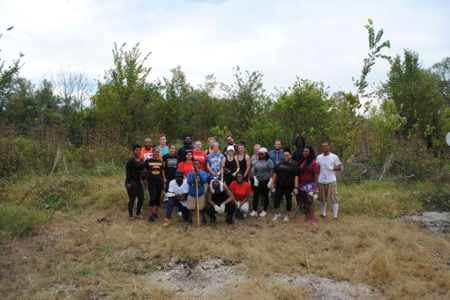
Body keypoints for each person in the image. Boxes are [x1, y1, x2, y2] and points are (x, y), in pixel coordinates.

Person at [271, 147, 298, 222]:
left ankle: (287, 215)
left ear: (291, 156)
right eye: (284, 155)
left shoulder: (294, 165)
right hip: (279, 185)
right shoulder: (280, 164)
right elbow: (275, 174)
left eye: (287, 155)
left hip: (289, 186)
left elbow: (296, 177)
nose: (286, 157)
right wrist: (272, 183)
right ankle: (277, 213)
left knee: (288, 200)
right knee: (276, 199)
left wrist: (296, 187)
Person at [316, 141, 342, 220]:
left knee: (334, 198)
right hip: (321, 180)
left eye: (326, 146)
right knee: (322, 198)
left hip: (331, 180)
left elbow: (340, 167)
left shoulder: (334, 157)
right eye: (323, 146)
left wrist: (332, 168)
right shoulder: (319, 157)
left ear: (329, 147)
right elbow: (317, 168)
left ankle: (335, 216)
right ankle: (323, 214)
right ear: (321, 147)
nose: (324, 148)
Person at [296, 146, 320, 226]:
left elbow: (316, 176)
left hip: (310, 185)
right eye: (304, 151)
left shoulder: (314, 163)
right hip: (302, 184)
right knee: (305, 201)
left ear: (310, 153)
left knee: (310, 201)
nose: (304, 153)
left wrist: (315, 188)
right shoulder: (302, 162)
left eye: (306, 152)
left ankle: (312, 219)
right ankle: (306, 216)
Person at [249, 147, 274, 217]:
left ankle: (264, 210)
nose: (261, 154)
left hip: (265, 180)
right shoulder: (257, 161)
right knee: (255, 195)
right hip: (258, 180)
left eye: (262, 153)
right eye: (260, 153)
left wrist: (271, 181)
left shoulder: (269, 161)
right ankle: (254, 210)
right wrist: (255, 178)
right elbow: (255, 170)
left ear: (266, 154)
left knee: (265, 195)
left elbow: (271, 170)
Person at [144, 147, 166, 223]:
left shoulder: (160, 162)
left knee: (157, 199)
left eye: (157, 152)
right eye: (155, 152)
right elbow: (145, 171)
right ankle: (150, 216)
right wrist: (146, 177)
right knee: (152, 198)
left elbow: (162, 173)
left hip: (159, 182)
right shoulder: (147, 161)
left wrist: (164, 181)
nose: (156, 153)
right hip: (151, 183)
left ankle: (155, 213)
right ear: (152, 152)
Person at [125, 144, 145, 221]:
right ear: (133, 151)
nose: (138, 151)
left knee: (141, 198)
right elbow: (128, 172)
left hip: (138, 180)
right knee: (132, 198)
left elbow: (142, 171)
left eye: (139, 150)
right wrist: (128, 183)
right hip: (131, 181)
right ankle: (130, 215)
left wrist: (144, 175)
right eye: (136, 150)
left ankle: (137, 213)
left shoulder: (141, 160)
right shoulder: (130, 161)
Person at [186, 160, 208, 225]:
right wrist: (193, 175)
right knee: (191, 208)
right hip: (192, 193)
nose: (196, 165)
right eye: (195, 164)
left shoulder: (203, 173)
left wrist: (199, 174)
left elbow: (204, 181)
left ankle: (203, 219)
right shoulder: (190, 173)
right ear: (193, 165)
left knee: (201, 207)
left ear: (200, 165)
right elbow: (189, 182)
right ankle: (190, 219)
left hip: (200, 193)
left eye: (197, 164)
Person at [292, 136, 306, 212]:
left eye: (301, 141)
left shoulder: (306, 151)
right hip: (297, 173)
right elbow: (294, 162)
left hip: (305, 173)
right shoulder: (295, 152)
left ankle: (305, 205)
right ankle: (300, 205)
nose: (299, 143)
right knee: (297, 189)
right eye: (298, 141)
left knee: (305, 190)